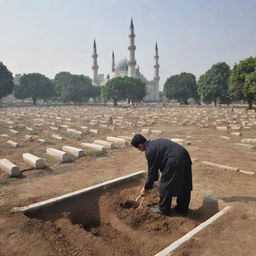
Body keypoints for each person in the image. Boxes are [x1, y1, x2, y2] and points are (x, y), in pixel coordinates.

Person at [131, 134, 192, 216]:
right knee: (184, 182)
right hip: (184, 155)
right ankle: (183, 208)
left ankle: (164, 209)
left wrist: (146, 188)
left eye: (138, 148)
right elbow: (155, 172)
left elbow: (152, 173)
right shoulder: (155, 143)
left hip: (174, 160)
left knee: (165, 184)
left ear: (140, 145)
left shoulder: (149, 150)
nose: (140, 150)